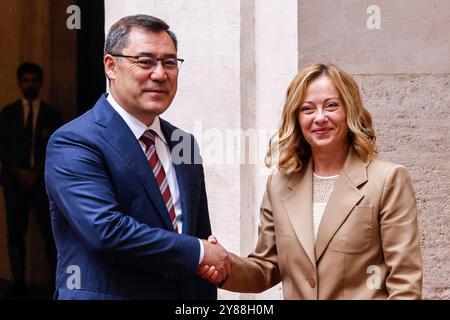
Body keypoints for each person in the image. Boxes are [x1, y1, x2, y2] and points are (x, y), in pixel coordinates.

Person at [44, 15, 232, 300]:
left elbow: (198, 235)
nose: (160, 74)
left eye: (169, 62)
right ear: (111, 66)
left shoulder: (184, 143)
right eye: (145, 62)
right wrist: (200, 252)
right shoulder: (74, 141)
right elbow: (106, 231)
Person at [199, 63, 423, 299]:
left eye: (332, 106)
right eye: (307, 109)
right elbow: (266, 268)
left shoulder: (388, 179)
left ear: (350, 110)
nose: (320, 118)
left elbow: (405, 284)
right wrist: (222, 265)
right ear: (296, 118)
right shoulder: (278, 186)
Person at [0, 62, 61, 297]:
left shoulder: (52, 115)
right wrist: (19, 172)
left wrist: (36, 173)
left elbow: (58, 150)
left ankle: (56, 284)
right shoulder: (7, 114)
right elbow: (3, 148)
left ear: (40, 83)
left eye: (34, 80)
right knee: (15, 234)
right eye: (25, 81)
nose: (30, 85)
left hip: (43, 185)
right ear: (19, 83)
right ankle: (18, 284)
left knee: (51, 235)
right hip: (14, 184)